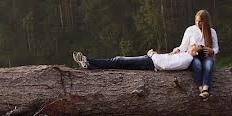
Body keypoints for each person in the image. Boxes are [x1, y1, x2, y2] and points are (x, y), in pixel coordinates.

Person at [176, 9, 219, 98]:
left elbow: (216, 47)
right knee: (197, 65)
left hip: (207, 55)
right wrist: (178, 50)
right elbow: (183, 46)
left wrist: (212, 51)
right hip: (194, 56)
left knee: (209, 65)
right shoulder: (190, 30)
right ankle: (200, 88)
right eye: (196, 21)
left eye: (200, 21)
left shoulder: (212, 31)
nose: (198, 23)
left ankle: (205, 88)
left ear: (205, 21)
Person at [72, 44, 200, 71]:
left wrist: (153, 55)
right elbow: (169, 59)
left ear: (196, 53)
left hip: (150, 63)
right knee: (118, 61)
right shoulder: (184, 55)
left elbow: (167, 65)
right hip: (150, 60)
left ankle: (88, 61)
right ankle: (89, 65)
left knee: (119, 60)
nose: (193, 44)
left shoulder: (187, 59)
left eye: (196, 46)